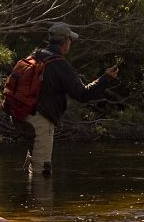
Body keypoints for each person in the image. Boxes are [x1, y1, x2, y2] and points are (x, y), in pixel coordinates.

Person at [23, 21, 118, 177]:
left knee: (34, 163)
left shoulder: (36, 54)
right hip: (40, 120)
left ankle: (27, 197)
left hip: (21, 115)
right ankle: (41, 199)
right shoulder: (60, 64)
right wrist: (105, 79)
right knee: (43, 171)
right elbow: (82, 95)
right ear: (65, 41)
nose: (71, 42)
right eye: (70, 39)